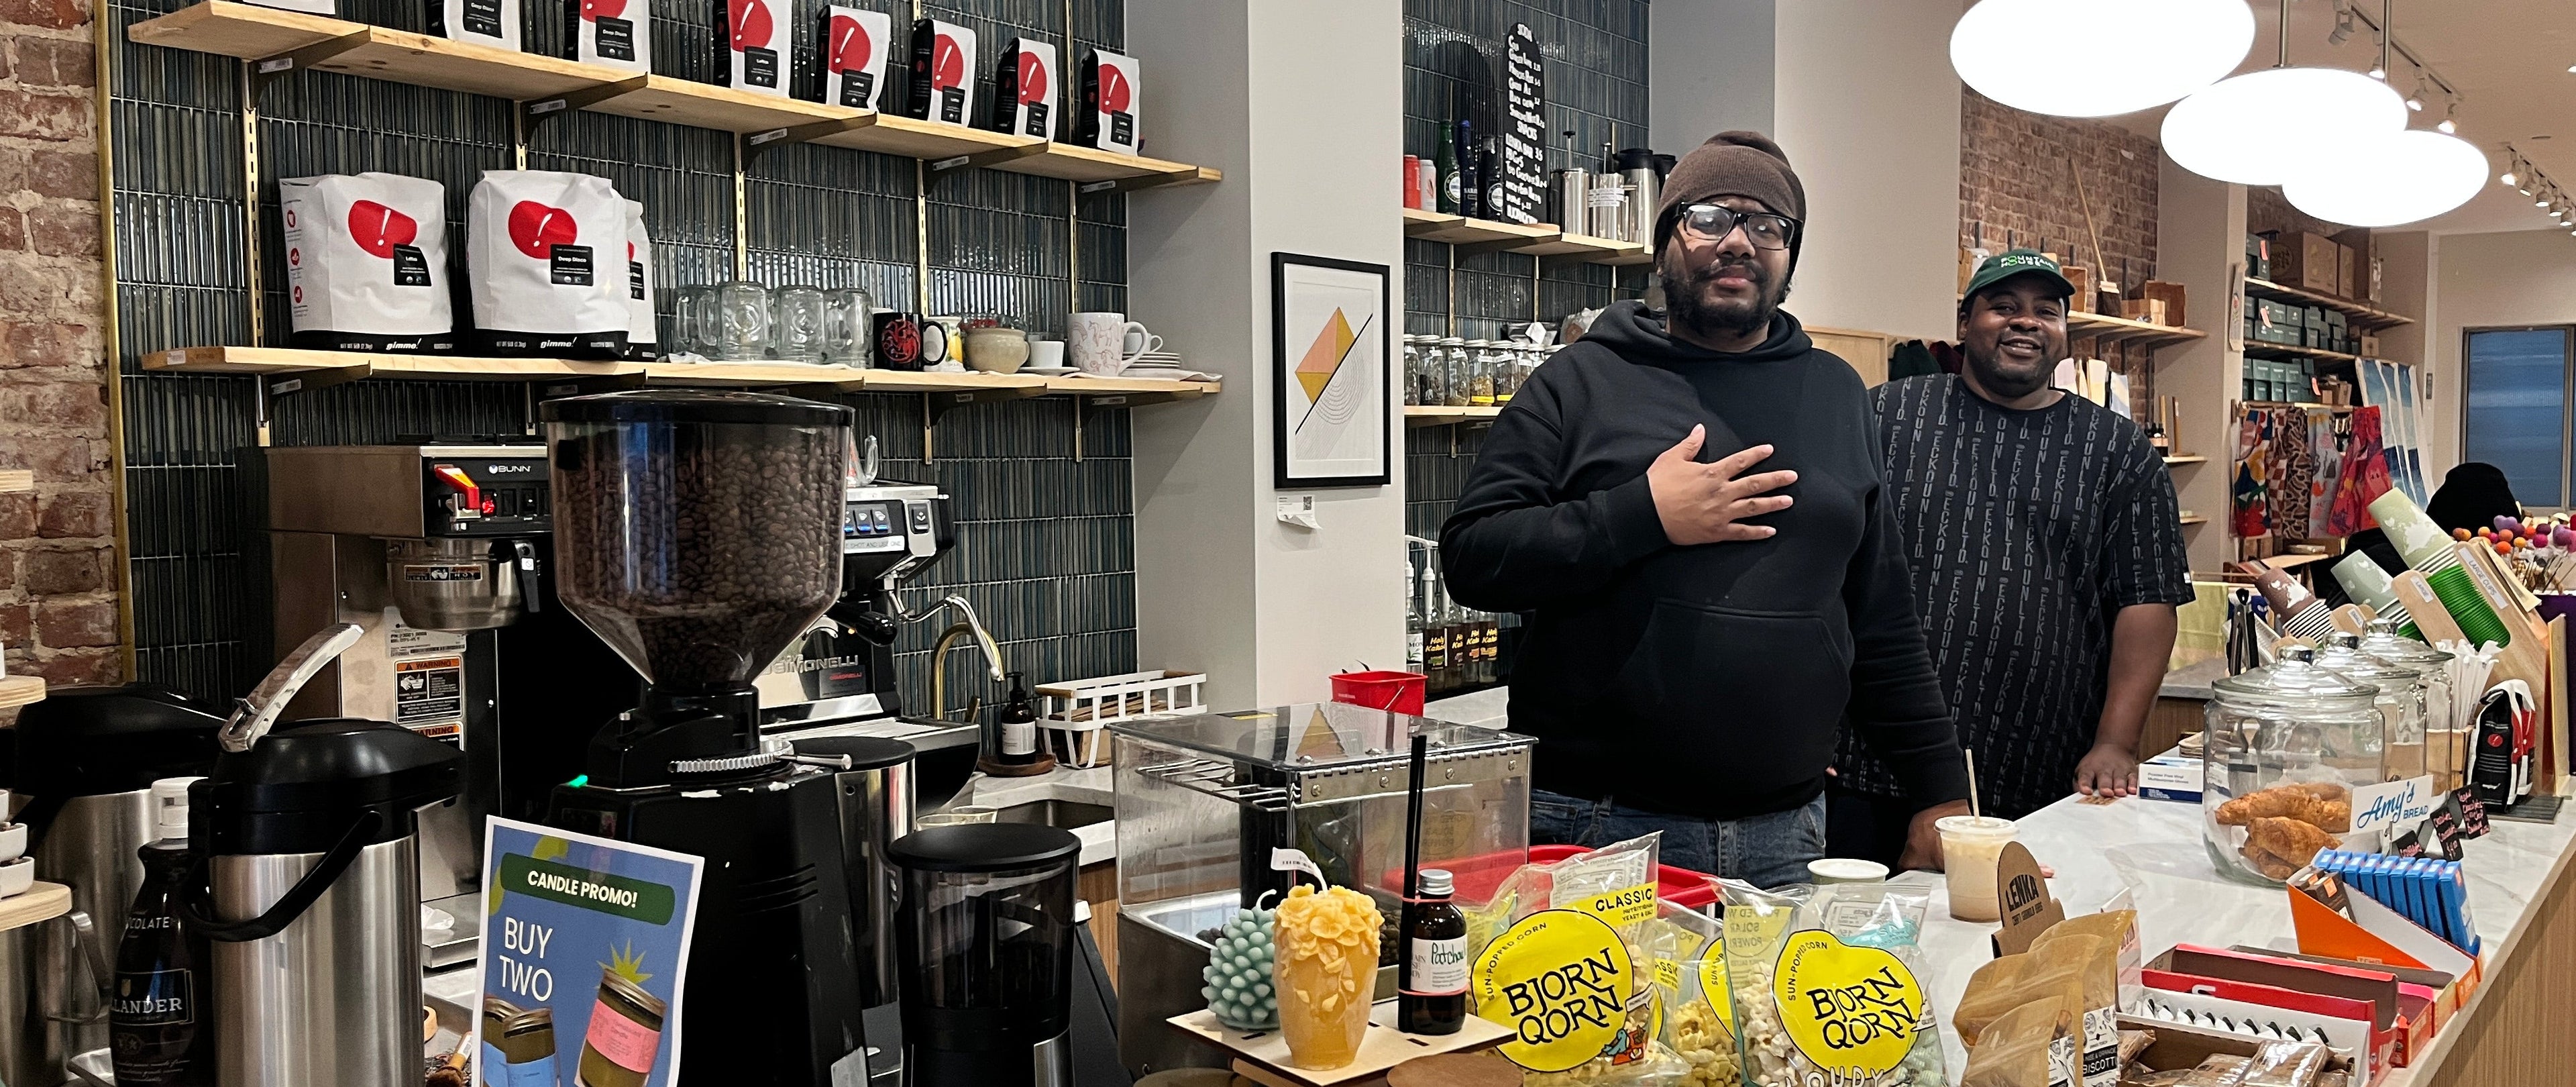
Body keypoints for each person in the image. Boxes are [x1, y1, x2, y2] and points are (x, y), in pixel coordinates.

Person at [1438, 131, 1971, 888]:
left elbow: (1881, 616)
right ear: (1664, 244)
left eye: (1767, 226)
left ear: (1789, 254)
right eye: (1710, 217)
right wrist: (1642, 514)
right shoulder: (1580, 380)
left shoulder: (1835, 393)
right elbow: (1473, 556)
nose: (1738, 243)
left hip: (1788, 833)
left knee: (1771, 1013)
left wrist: (1939, 790)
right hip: (1599, 829)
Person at [1828, 250, 2192, 864]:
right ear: (1966, 321)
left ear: (2065, 334)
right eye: (2004, 307)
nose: (2026, 322)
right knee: (1857, 943)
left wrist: (2117, 742)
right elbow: (1825, 565)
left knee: (2014, 948)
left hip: (2040, 770)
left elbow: (2147, 600)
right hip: (1872, 762)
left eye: (2046, 311)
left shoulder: (2116, 450)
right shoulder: (1888, 415)